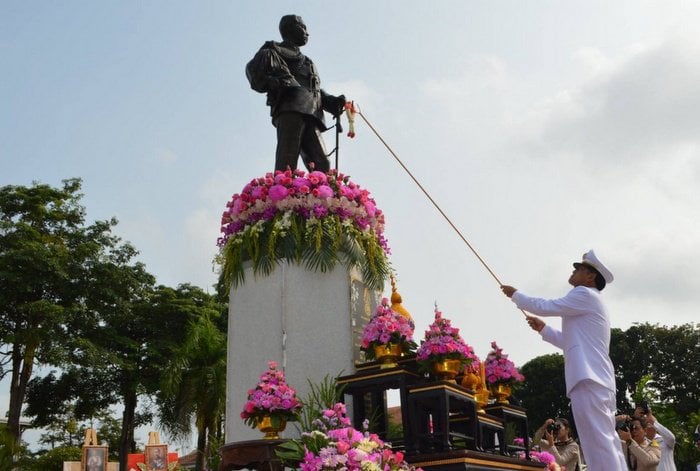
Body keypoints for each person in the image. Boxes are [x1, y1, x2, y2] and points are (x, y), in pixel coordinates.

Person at [500, 250, 627, 471]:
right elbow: (572, 343)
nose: (574, 271)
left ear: (590, 277)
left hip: (589, 378)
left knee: (597, 441)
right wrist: (545, 330)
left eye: (579, 269)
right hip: (596, 379)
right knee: (604, 439)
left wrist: (516, 295)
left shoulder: (584, 294)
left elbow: (546, 306)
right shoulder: (590, 300)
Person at [246, 15, 346, 173]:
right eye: (303, 27)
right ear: (290, 28)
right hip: (290, 108)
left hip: (311, 113)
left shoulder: (308, 62)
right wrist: (275, 82)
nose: (307, 33)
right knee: (287, 158)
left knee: (322, 163)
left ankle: (322, 196)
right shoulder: (273, 51)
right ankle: (282, 194)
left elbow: (314, 90)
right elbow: (257, 76)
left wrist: (332, 102)